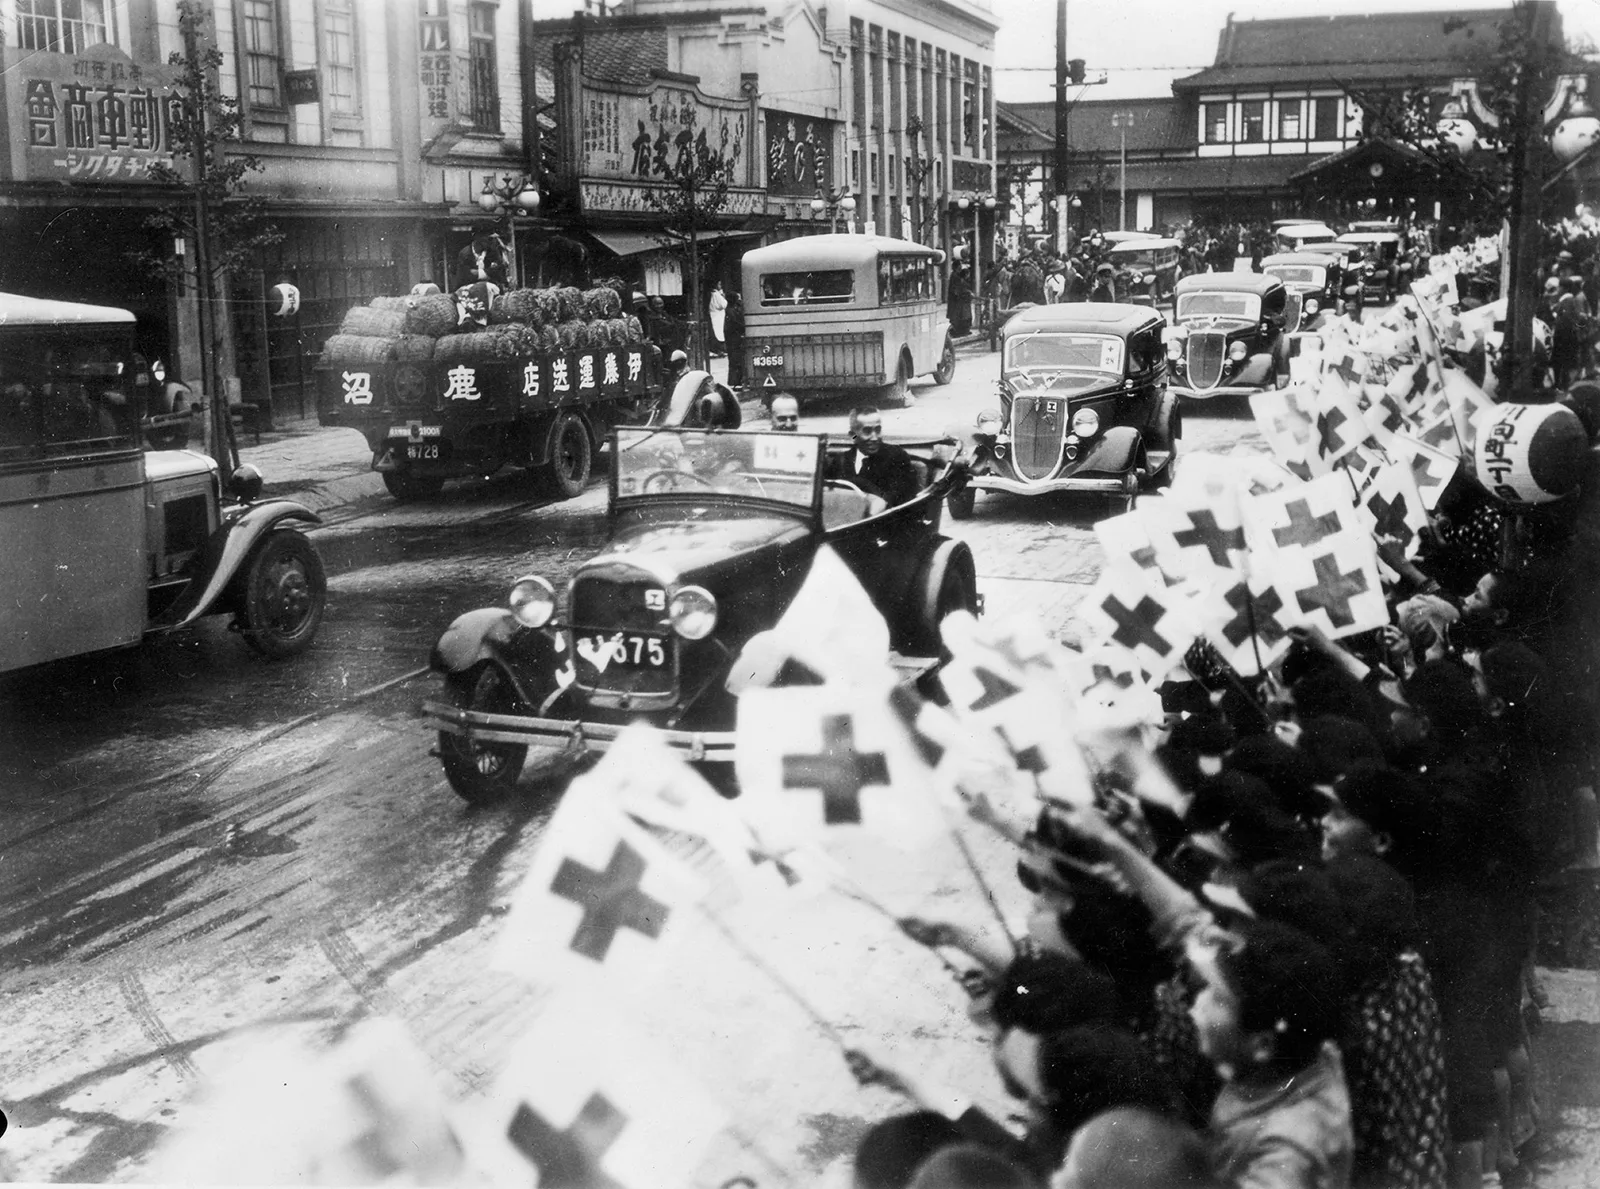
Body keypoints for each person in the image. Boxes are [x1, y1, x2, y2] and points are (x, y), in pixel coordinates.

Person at [831, 405, 921, 507]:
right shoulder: (840, 461)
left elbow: (901, 498)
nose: (874, 438)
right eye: (867, 431)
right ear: (853, 435)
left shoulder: (897, 457)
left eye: (878, 430)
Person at [724, 291, 747, 388]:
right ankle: (735, 381)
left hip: (732, 338)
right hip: (734, 339)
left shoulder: (730, 310)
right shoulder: (731, 311)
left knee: (734, 360)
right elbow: (737, 323)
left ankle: (735, 381)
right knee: (735, 360)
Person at [948, 268, 974, 336]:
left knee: (962, 317)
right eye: (968, 274)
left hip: (960, 303)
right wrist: (969, 293)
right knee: (965, 317)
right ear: (966, 274)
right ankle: (963, 331)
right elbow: (962, 291)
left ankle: (961, 331)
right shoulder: (962, 282)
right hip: (963, 303)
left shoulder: (960, 281)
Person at [708, 281, 728, 357]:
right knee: (719, 333)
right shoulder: (716, 294)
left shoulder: (713, 294)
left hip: (714, 315)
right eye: (719, 284)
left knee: (716, 332)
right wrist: (723, 296)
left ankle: (716, 350)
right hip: (718, 316)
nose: (721, 285)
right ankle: (720, 349)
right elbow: (724, 304)